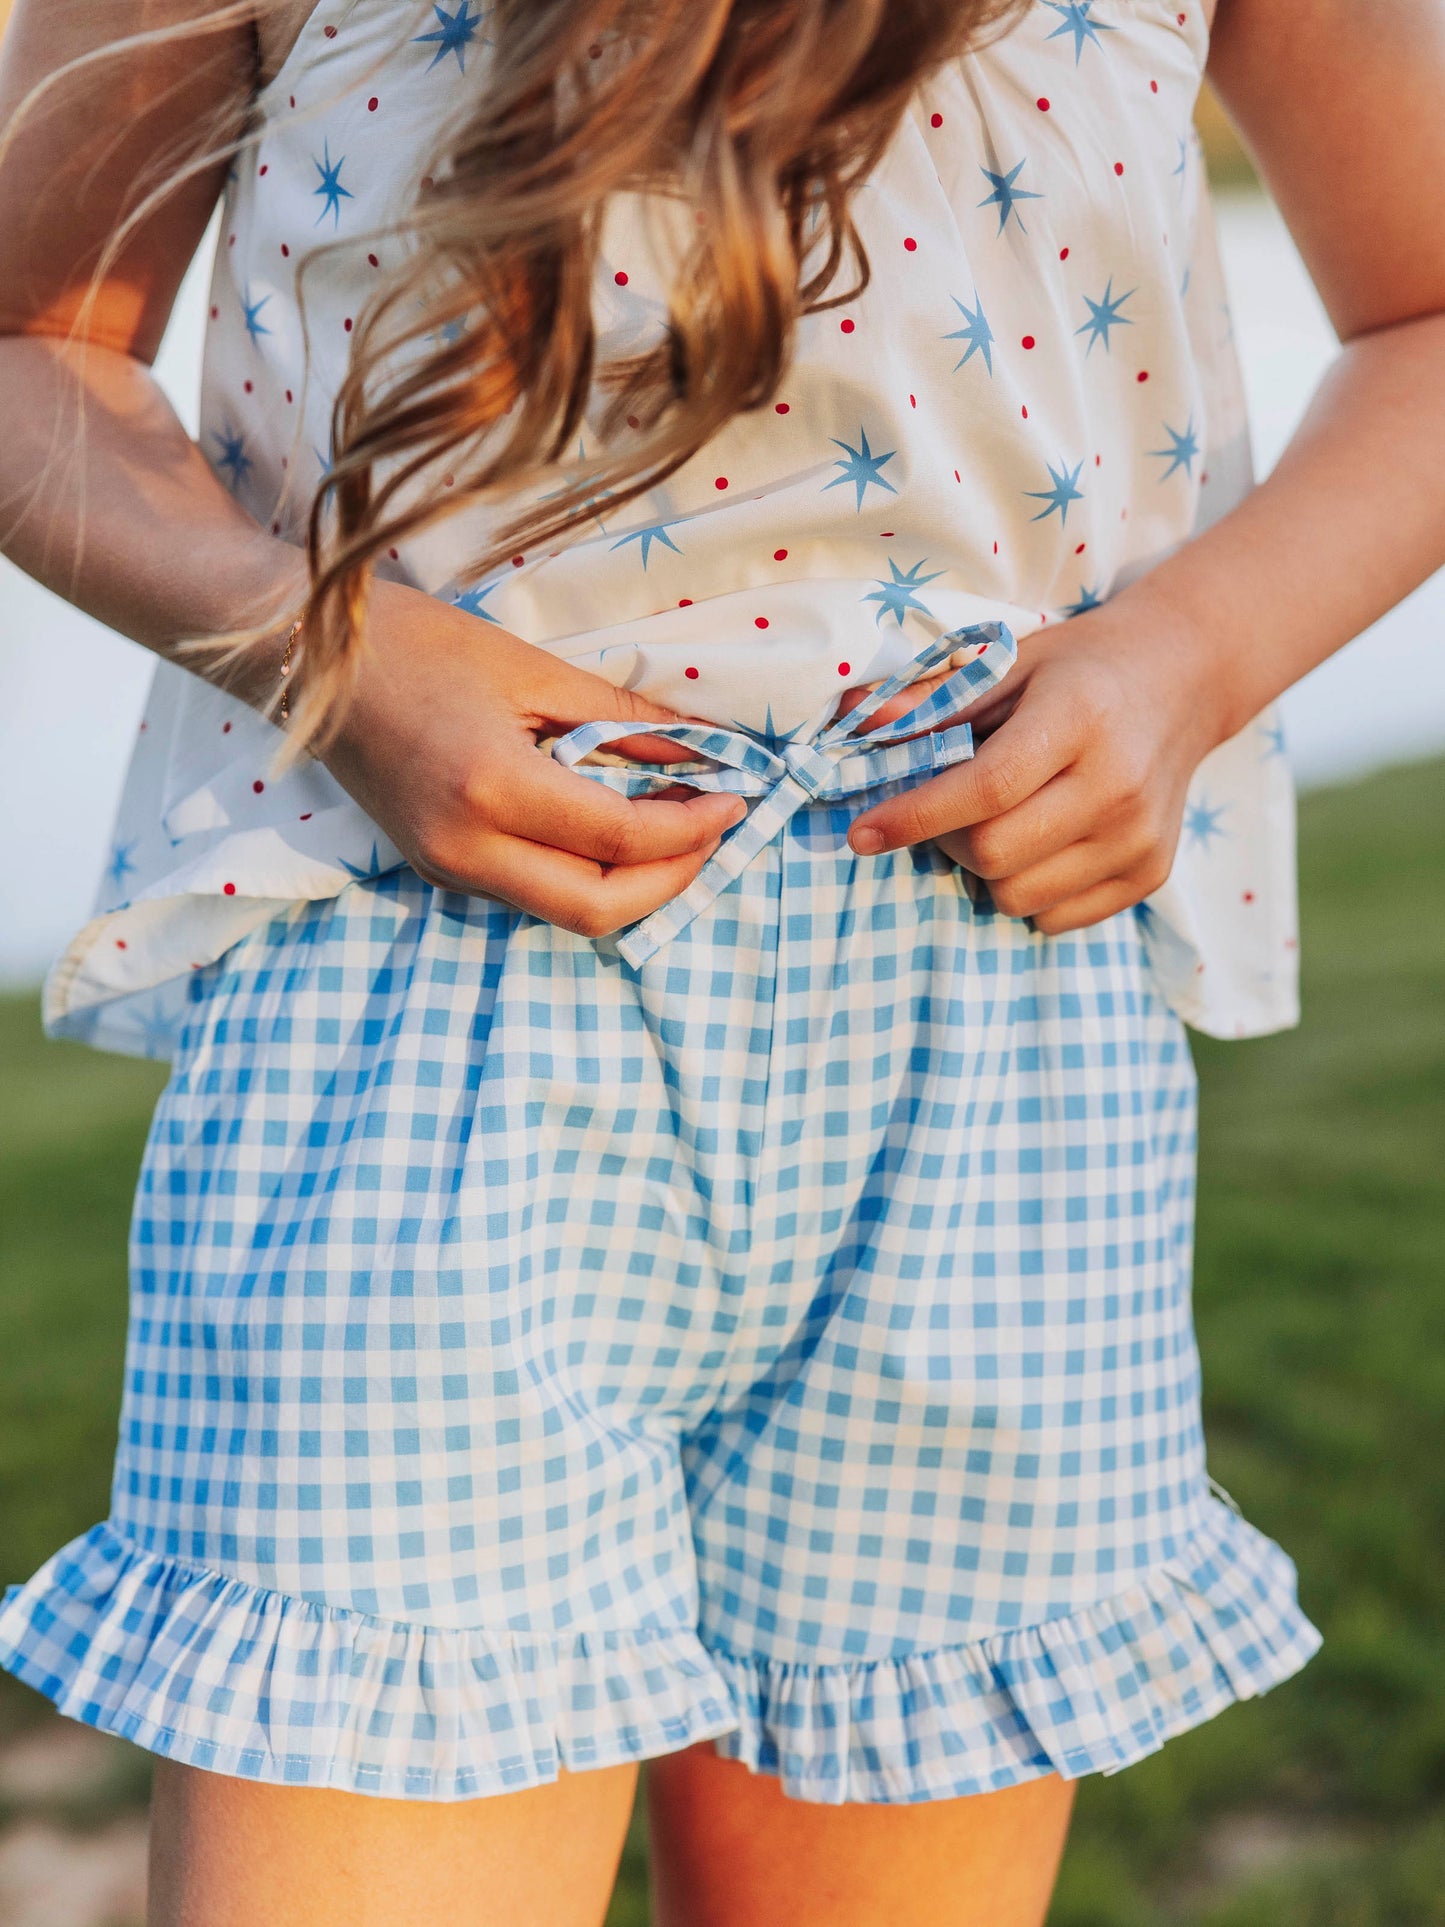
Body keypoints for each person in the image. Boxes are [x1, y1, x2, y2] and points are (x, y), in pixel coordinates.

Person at [1, 0, 1443, 1920]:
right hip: (420, 1028)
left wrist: (1189, 661)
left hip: (985, 1025)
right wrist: (321, 644)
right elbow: (28, 343)